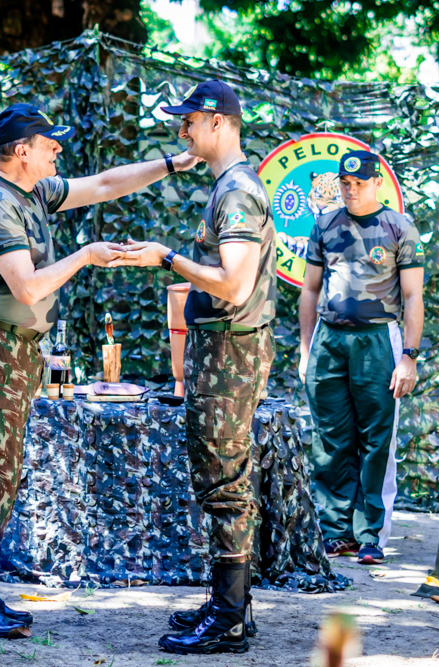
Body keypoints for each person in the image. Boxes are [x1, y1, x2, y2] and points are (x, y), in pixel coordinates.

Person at [0, 103, 202, 639]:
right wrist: (86, 254)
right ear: (22, 151)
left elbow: (107, 183)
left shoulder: (32, 190)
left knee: (1, 469)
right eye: (49, 144)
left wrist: (176, 163)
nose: (57, 151)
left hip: (15, 347)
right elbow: (29, 286)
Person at [108, 80, 277, 655]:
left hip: (230, 350)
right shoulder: (230, 185)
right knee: (222, 475)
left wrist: (168, 257)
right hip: (224, 346)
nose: (182, 131)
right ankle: (231, 605)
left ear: (217, 122)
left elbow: (235, 281)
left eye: (189, 121)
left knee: (224, 480)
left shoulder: (236, 192)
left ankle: (230, 618)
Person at [297, 150, 424, 566]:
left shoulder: (398, 227)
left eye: (359, 184)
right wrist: (305, 350)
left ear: (376, 184)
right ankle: (336, 533)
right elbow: (310, 291)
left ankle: (370, 534)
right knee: (331, 440)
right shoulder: (325, 224)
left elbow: (412, 296)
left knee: (376, 441)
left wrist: (409, 356)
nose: (351, 190)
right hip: (329, 340)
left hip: (378, 342)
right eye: (345, 184)